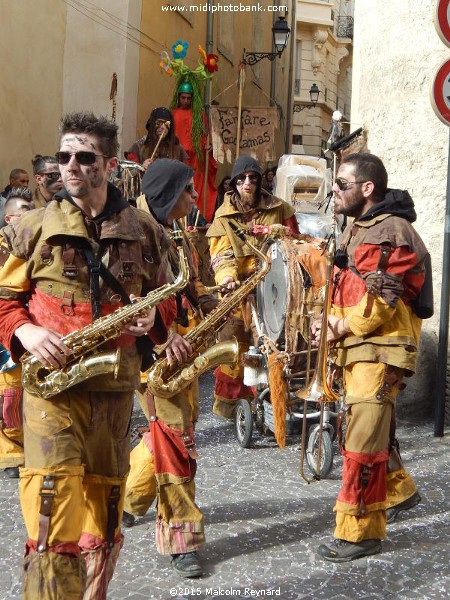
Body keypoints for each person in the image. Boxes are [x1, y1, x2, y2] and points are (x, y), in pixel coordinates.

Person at [0, 111, 178, 599]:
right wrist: (27, 332)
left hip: (116, 396)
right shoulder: (32, 228)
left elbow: (168, 298)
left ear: (112, 164)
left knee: (104, 514)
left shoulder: (146, 231)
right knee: (53, 513)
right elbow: (2, 299)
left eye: (84, 157)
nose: (71, 166)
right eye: (64, 157)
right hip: (52, 395)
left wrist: (154, 321)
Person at [313, 152, 428, 562]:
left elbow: (381, 300)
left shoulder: (389, 230)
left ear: (367, 189)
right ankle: (398, 493)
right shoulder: (363, 226)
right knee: (373, 430)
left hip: (379, 349)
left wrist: (339, 327)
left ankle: (360, 532)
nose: (334, 190)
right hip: (365, 348)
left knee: (362, 439)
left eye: (342, 183)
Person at [122, 159, 218, 578]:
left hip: (179, 345)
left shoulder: (173, 229)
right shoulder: (134, 230)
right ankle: (182, 538)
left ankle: (127, 502)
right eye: (189, 190)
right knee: (177, 440)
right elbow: (131, 300)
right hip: (154, 354)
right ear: (168, 193)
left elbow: (185, 284)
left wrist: (214, 303)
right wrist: (163, 337)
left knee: (164, 434)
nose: (196, 198)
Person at [206, 154, 299, 418]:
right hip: (236, 291)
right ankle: (231, 407)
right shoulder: (223, 217)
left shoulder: (278, 208)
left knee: (271, 348)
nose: (247, 183)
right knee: (234, 349)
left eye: (253, 178)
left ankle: (272, 406)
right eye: (242, 179)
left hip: (272, 290)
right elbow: (221, 254)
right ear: (234, 183)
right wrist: (226, 277)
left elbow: (293, 241)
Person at [0, 190, 35, 479]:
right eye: (25, 209)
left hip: (30, 326)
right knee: (9, 396)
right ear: (10, 218)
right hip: (4, 326)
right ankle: (10, 452)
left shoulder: (34, 242)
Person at [172, 81, 218, 222]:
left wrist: (208, 147)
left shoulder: (199, 116)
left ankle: (197, 220)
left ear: (192, 99)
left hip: (195, 161)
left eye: (188, 98)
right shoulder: (172, 114)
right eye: (183, 97)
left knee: (196, 189)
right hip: (178, 160)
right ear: (179, 97)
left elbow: (205, 138)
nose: (185, 101)